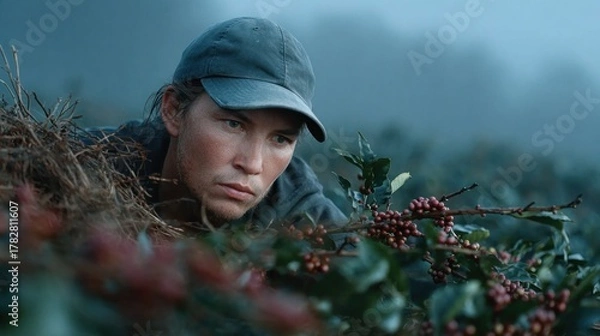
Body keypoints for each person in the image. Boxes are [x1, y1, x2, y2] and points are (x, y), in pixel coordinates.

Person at [84, 17, 347, 239]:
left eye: (280, 139)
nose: (253, 164)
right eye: (234, 124)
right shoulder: (83, 166)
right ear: (174, 110)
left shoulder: (302, 215)